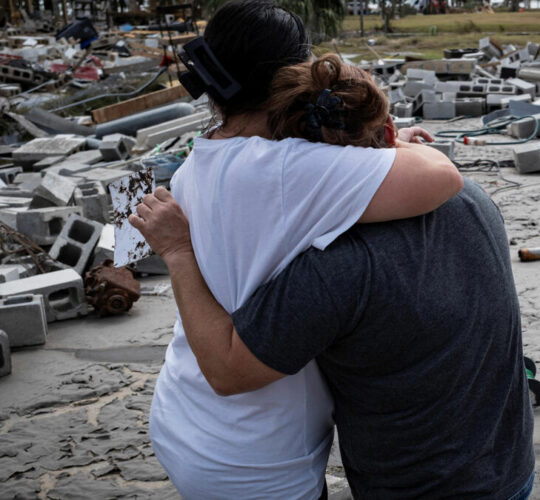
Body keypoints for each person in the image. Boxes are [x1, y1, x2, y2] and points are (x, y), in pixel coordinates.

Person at [146, 2, 462, 498]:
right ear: (290, 77)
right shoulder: (286, 170)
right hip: (256, 457)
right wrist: (397, 147)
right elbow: (442, 177)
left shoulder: (197, 163)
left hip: (185, 415)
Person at [132, 177, 535, 499]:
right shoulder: (470, 197)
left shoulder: (339, 264)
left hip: (421, 487)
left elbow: (226, 371)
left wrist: (178, 251)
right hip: (511, 466)